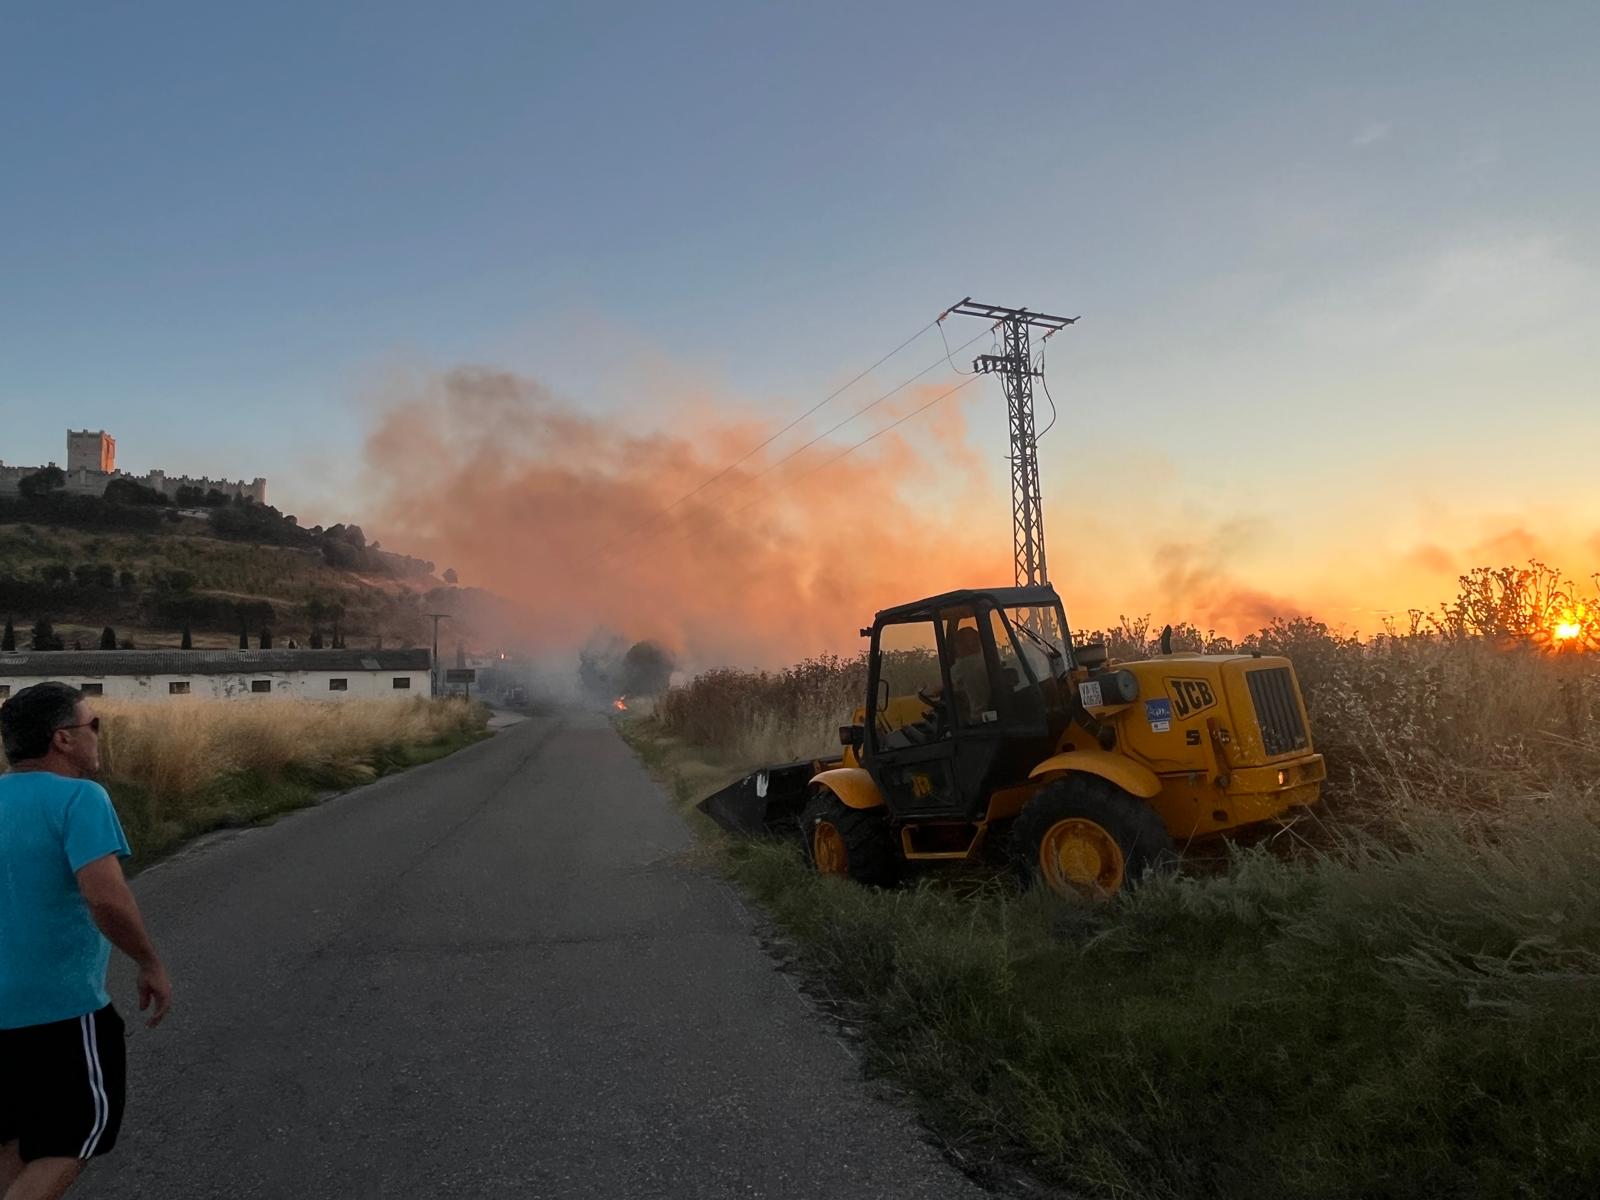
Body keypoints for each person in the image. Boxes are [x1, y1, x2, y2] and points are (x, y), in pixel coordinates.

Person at [0, 683, 173, 1200]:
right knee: (76, 1136)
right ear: (63, 740)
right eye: (91, 724)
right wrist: (149, 962)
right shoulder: (81, 798)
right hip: (56, 1010)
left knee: (12, 1143)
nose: (99, 734)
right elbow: (106, 899)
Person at [947, 625, 992, 722]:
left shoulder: (963, 666)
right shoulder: (989, 660)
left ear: (962, 645)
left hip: (978, 719)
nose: (956, 647)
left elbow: (939, 688)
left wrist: (924, 691)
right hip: (992, 715)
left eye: (957, 643)